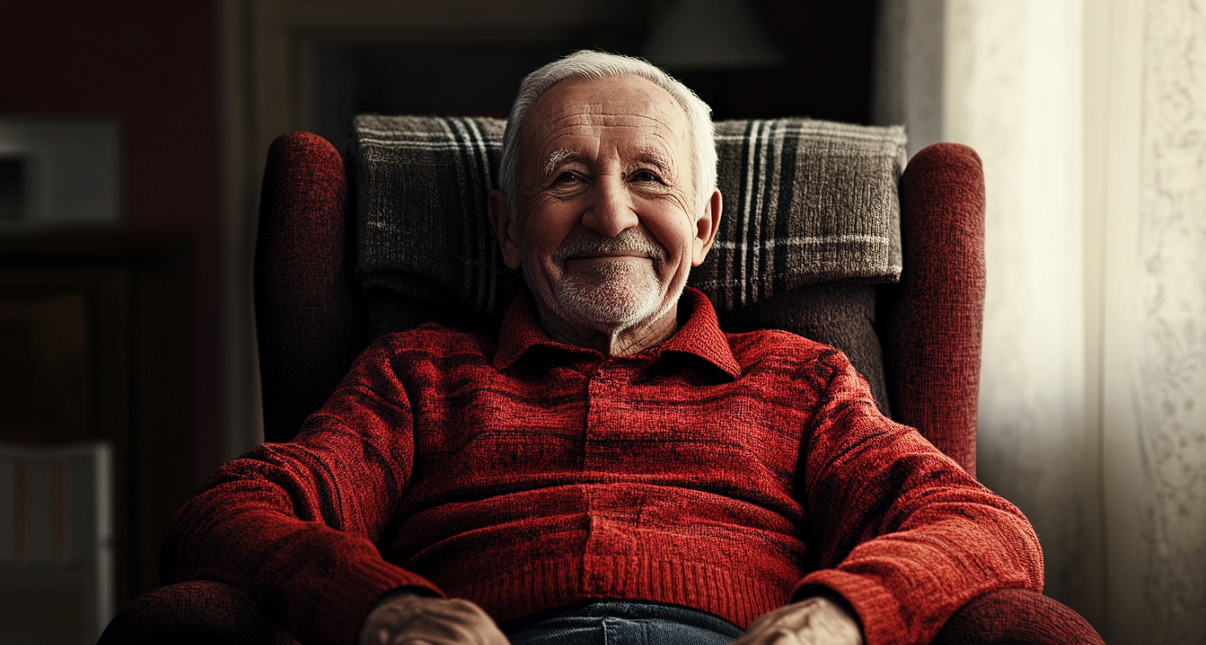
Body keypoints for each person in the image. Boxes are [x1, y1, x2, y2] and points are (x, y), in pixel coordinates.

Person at [161, 51, 1042, 645]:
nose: (612, 215)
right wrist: (385, 608)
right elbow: (225, 514)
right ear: (508, 230)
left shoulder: (801, 379)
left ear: (703, 226)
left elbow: (987, 528)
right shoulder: (415, 372)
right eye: (568, 177)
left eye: (649, 176)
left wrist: (842, 614)